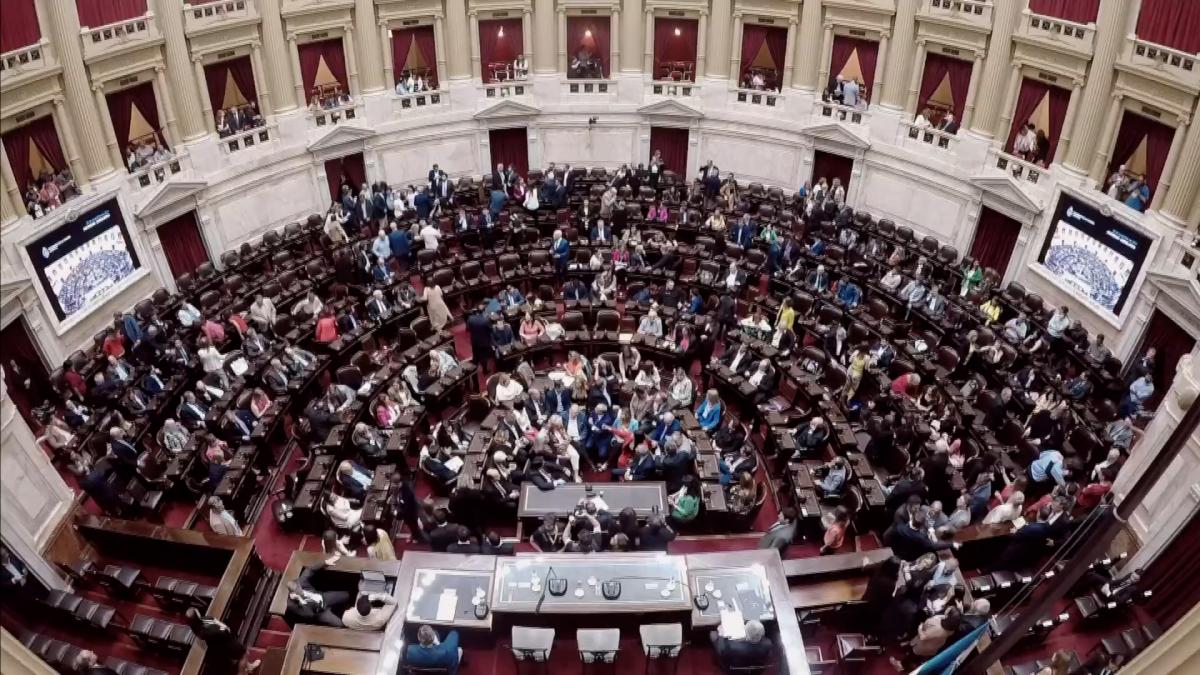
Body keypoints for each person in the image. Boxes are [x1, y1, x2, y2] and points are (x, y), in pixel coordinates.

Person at [286, 559, 353, 627]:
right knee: (340, 624)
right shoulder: (291, 605)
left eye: (299, 588)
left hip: (323, 598)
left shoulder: (301, 582)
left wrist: (325, 562)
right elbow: (309, 615)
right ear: (292, 593)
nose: (301, 591)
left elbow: (310, 569)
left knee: (346, 595)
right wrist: (300, 599)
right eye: (298, 591)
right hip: (319, 612)